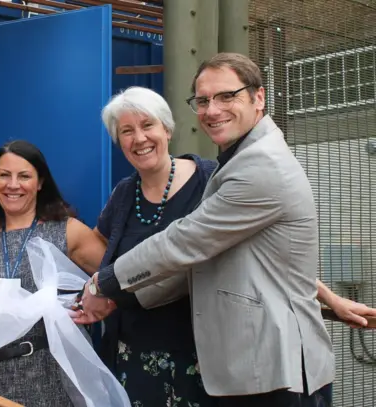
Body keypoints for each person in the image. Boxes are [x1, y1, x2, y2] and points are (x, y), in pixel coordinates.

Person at [74, 53, 376, 406]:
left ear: (258, 97)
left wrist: (103, 282)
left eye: (227, 96)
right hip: (213, 362)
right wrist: (114, 297)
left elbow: (184, 243)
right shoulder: (133, 191)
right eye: (203, 101)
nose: (213, 110)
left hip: (260, 364)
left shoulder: (252, 168)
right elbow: (231, 257)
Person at [92, 86, 219, 407]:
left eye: (147, 125)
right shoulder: (123, 193)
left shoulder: (210, 181)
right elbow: (101, 249)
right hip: (131, 354)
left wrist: (325, 296)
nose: (139, 138)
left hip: (201, 355)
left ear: (167, 128)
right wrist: (96, 291)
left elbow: (251, 248)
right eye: (127, 131)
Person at [0, 140, 106, 406]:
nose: (13, 185)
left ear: (40, 182)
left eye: (24, 176)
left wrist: (95, 302)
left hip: (53, 378)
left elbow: (114, 279)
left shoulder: (67, 232)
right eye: (4, 175)